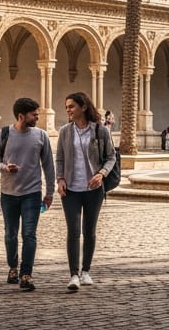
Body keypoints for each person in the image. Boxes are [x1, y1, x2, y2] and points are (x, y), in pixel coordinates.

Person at [0, 97, 55, 291]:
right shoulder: (3, 134)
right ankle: (13, 267)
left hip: (32, 193)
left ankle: (26, 274)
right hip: (8, 193)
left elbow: (48, 167)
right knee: (10, 234)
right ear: (21, 116)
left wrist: (49, 193)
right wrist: (4, 167)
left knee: (29, 234)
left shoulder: (41, 136)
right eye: (34, 115)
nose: (37, 118)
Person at [55, 91, 117, 291]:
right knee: (73, 231)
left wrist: (101, 174)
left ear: (83, 107)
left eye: (72, 106)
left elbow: (111, 157)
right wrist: (60, 179)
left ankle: (86, 271)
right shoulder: (65, 131)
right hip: (71, 188)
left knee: (89, 231)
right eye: (66, 107)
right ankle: (73, 275)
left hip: (93, 188)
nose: (68, 110)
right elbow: (60, 159)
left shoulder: (100, 131)